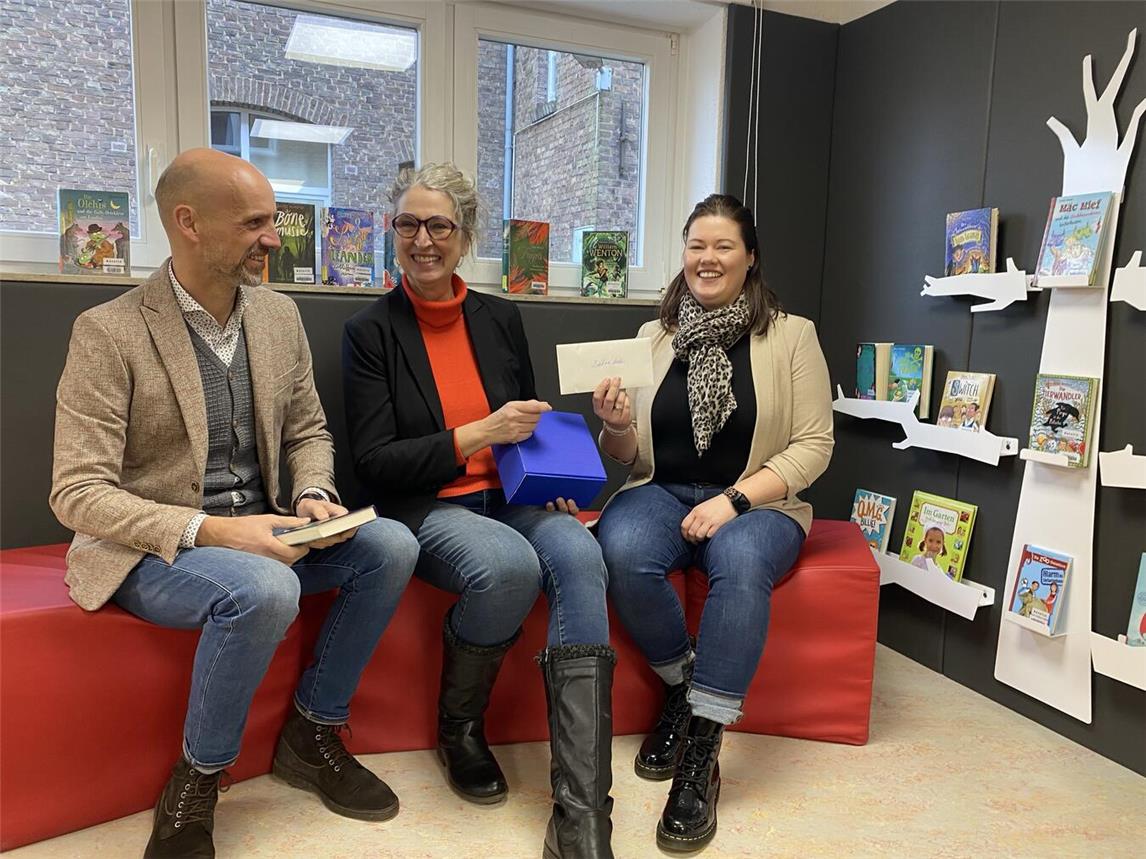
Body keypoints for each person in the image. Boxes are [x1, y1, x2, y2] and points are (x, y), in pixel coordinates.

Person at [50, 148, 421, 859]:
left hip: (268, 526)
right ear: (188, 223)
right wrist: (219, 530)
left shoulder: (279, 316)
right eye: (254, 223)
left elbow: (310, 430)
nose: (275, 238)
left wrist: (313, 491)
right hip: (156, 546)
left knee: (394, 545)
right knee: (265, 585)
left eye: (273, 220)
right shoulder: (108, 332)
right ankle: (197, 776)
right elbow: (77, 492)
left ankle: (312, 732)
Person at [342, 162, 615, 859]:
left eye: (438, 225)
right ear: (393, 233)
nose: (422, 239)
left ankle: (582, 811)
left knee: (583, 552)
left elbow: (526, 423)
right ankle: (459, 727)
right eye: (408, 224)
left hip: (513, 499)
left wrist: (549, 474)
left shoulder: (501, 317)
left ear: (464, 236)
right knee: (506, 566)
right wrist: (477, 434)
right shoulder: (370, 332)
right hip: (426, 507)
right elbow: (373, 463)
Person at [593, 194, 834, 853]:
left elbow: (814, 444)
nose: (708, 257)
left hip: (758, 502)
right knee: (617, 547)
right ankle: (682, 680)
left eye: (723, 245)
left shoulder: (792, 335)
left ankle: (701, 745)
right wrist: (614, 425)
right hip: (663, 489)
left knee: (743, 561)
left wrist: (733, 500)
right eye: (697, 244)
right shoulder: (654, 338)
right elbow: (631, 457)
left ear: (750, 257)